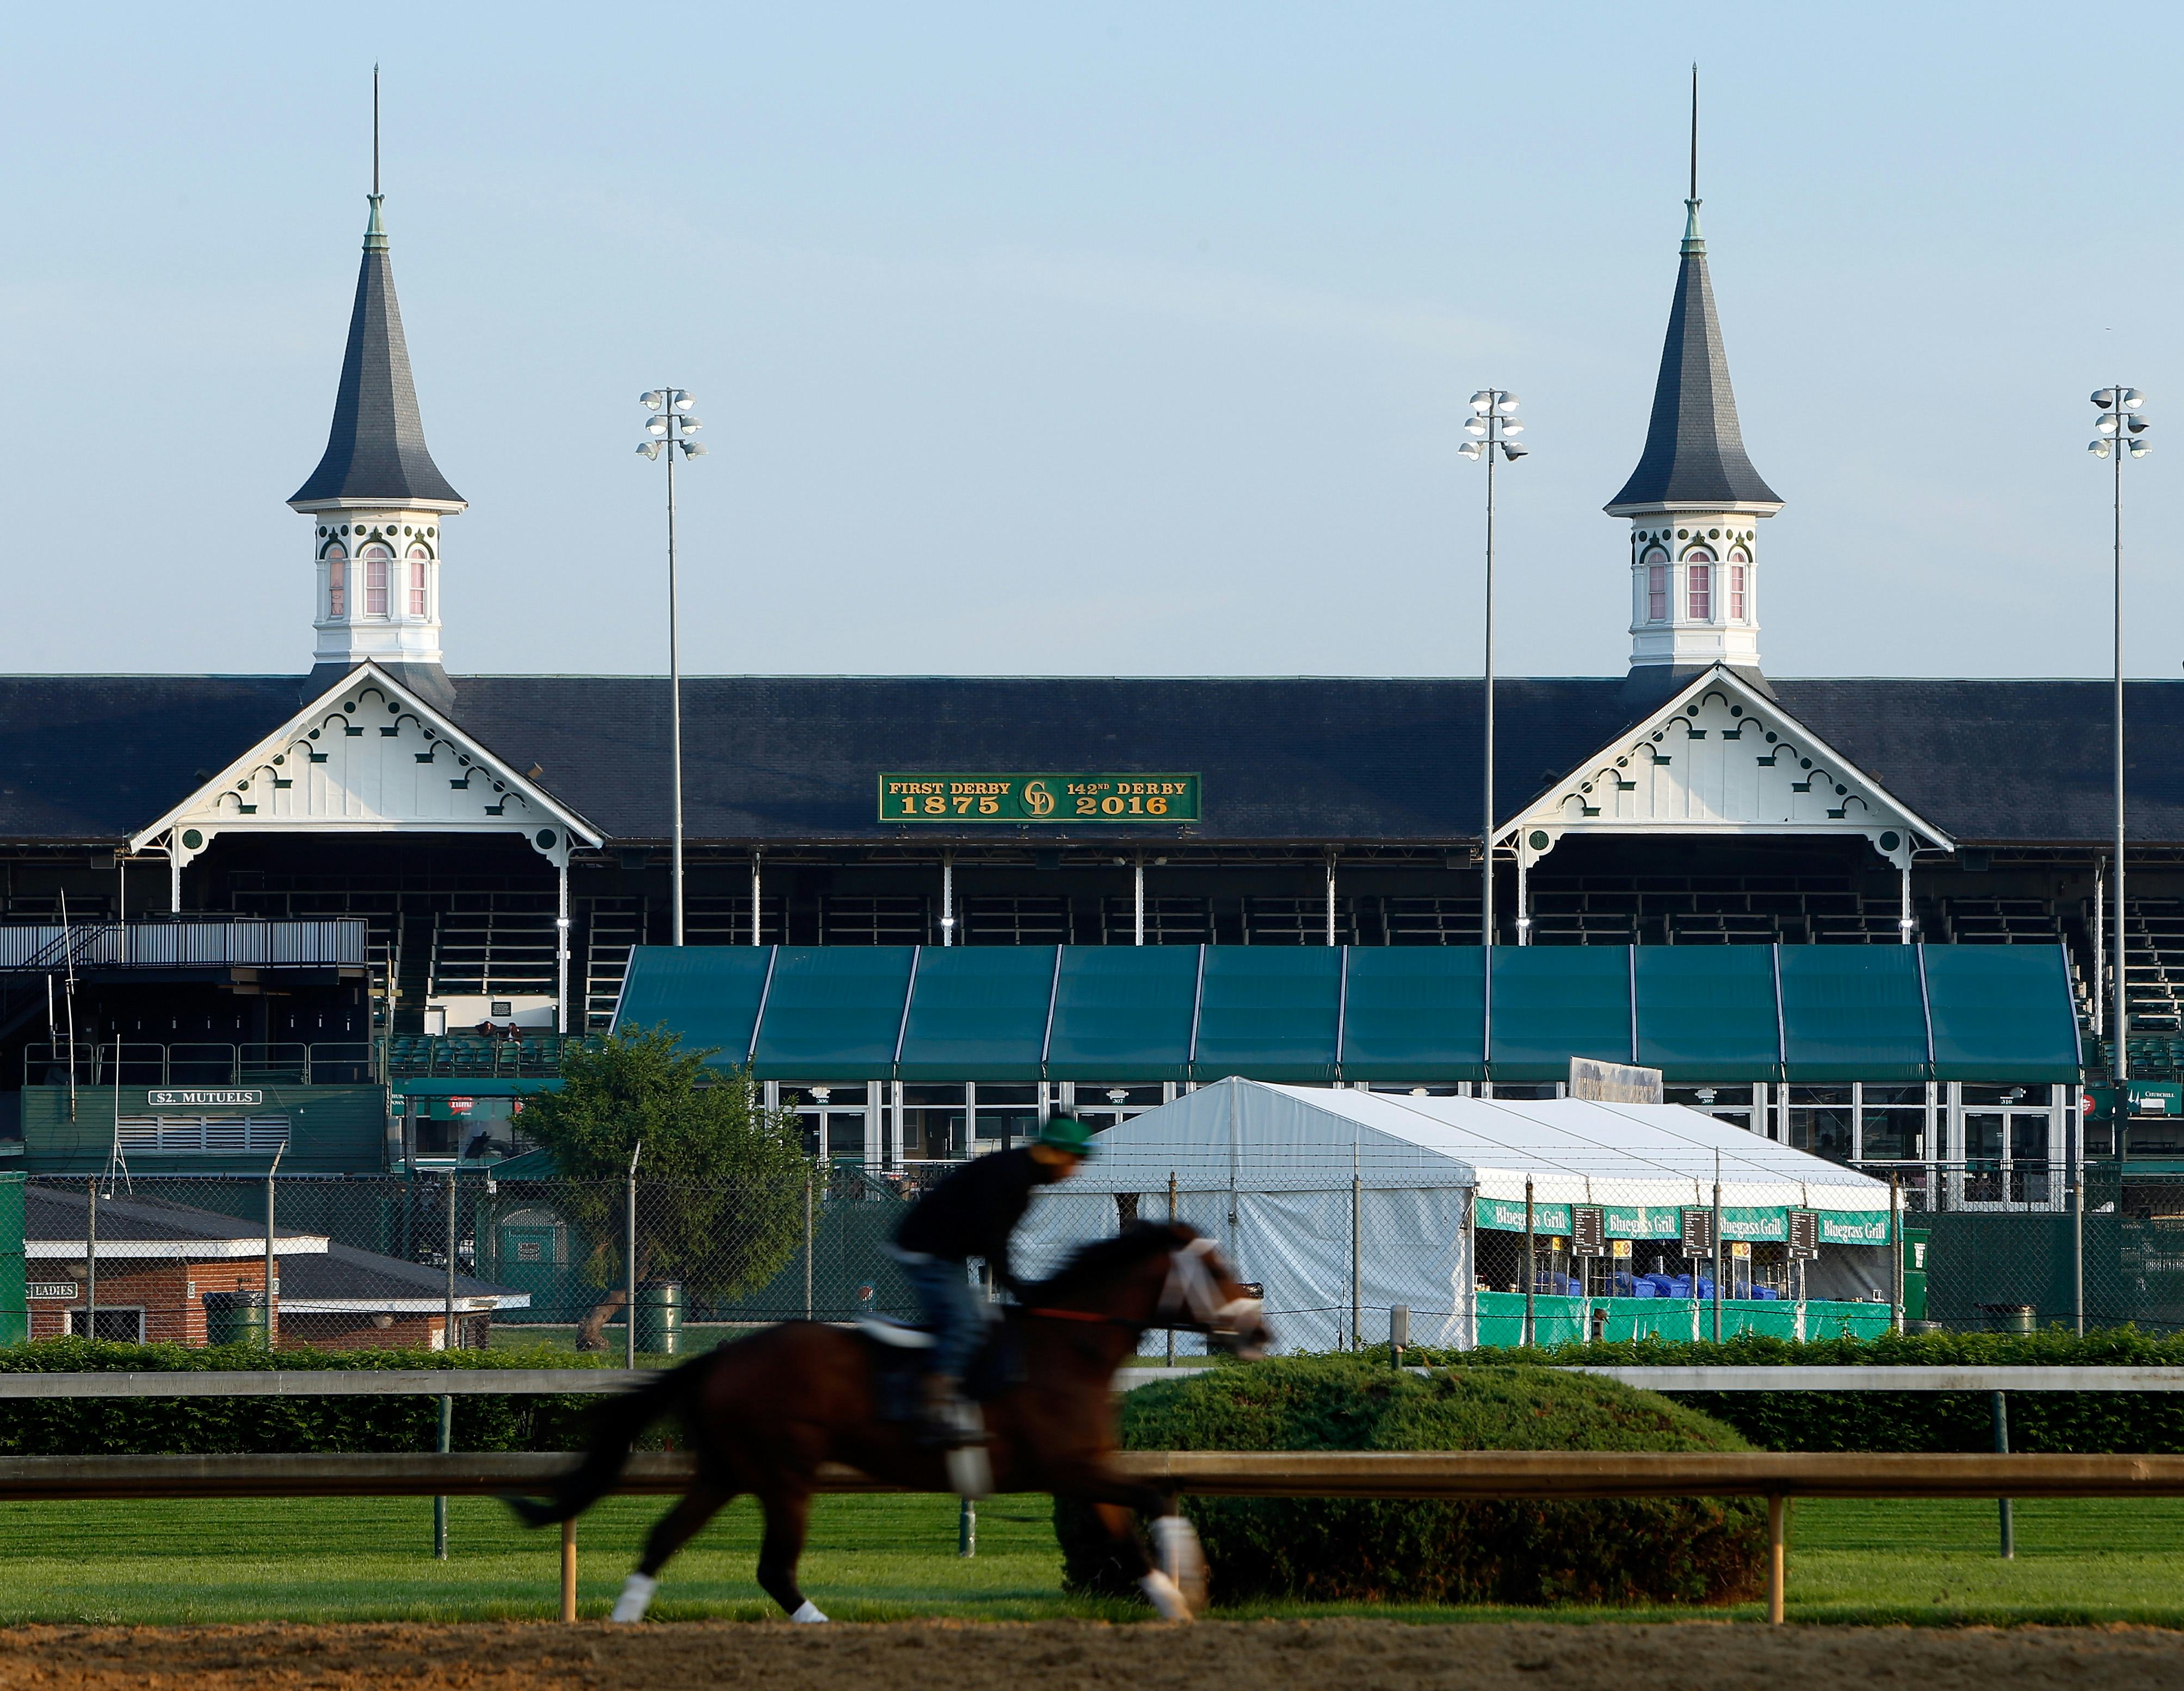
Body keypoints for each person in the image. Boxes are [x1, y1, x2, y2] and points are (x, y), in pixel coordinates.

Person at [887, 1114, 1097, 1443]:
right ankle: (931, 1408)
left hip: (943, 1252)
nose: (1077, 1171)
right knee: (964, 1325)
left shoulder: (1020, 1178)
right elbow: (992, 1244)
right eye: (1076, 1160)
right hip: (924, 1249)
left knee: (979, 1321)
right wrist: (1022, 1291)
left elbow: (994, 1244)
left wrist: (1020, 1289)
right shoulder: (1011, 1179)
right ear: (1056, 1154)